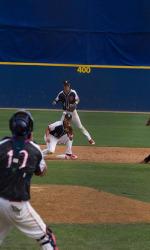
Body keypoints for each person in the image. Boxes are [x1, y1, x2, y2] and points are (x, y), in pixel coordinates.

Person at [0, 110, 58, 250]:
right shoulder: (35, 150)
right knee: (47, 238)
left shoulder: (1, 144)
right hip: (17, 205)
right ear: (29, 129)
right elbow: (41, 171)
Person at [52, 80, 95, 145]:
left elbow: (78, 99)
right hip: (65, 112)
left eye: (67, 85)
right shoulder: (61, 94)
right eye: (65, 85)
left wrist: (75, 103)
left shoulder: (73, 92)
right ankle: (58, 140)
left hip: (73, 112)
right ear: (63, 86)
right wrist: (54, 102)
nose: (66, 87)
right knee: (61, 126)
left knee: (80, 126)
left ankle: (90, 139)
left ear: (69, 86)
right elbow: (56, 99)